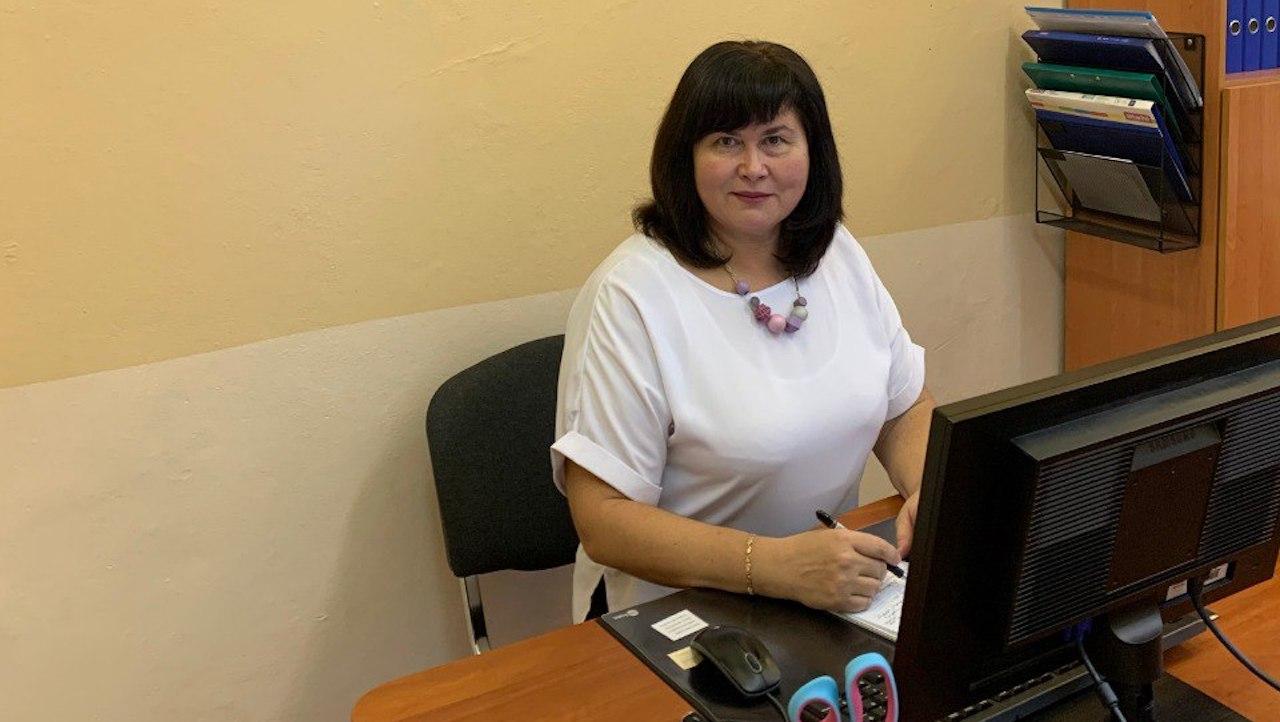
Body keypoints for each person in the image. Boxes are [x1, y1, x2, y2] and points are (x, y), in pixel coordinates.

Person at [551, 40, 935, 623]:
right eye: (726, 141)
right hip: (683, 613)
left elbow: (905, 407)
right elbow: (603, 518)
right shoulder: (630, 295)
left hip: (829, 594)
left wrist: (928, 491)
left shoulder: (838, 256)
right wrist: (775, 566)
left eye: (776, 140)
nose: (753, 167)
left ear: (813, 152)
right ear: (685, 156)